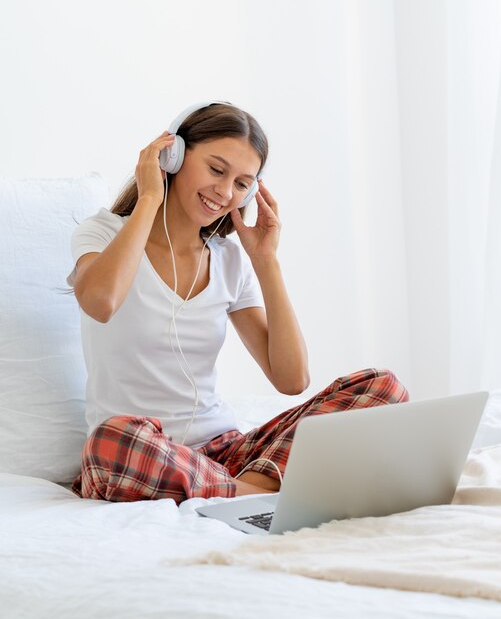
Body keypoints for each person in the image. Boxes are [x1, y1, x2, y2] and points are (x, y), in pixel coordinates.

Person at [67, 101, 409, 504]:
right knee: (111, 439)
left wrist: (266, 262)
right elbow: (101, 302)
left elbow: (291, 379)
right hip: (138, 452)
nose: (226, 192)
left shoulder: (228, 259)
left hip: (223, 453)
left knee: (383, 388)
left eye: (243, 183)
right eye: (216, 170)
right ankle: (258, 494)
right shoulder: (104, 233)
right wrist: (148, 200)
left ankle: (237, 491)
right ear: (172, 156)